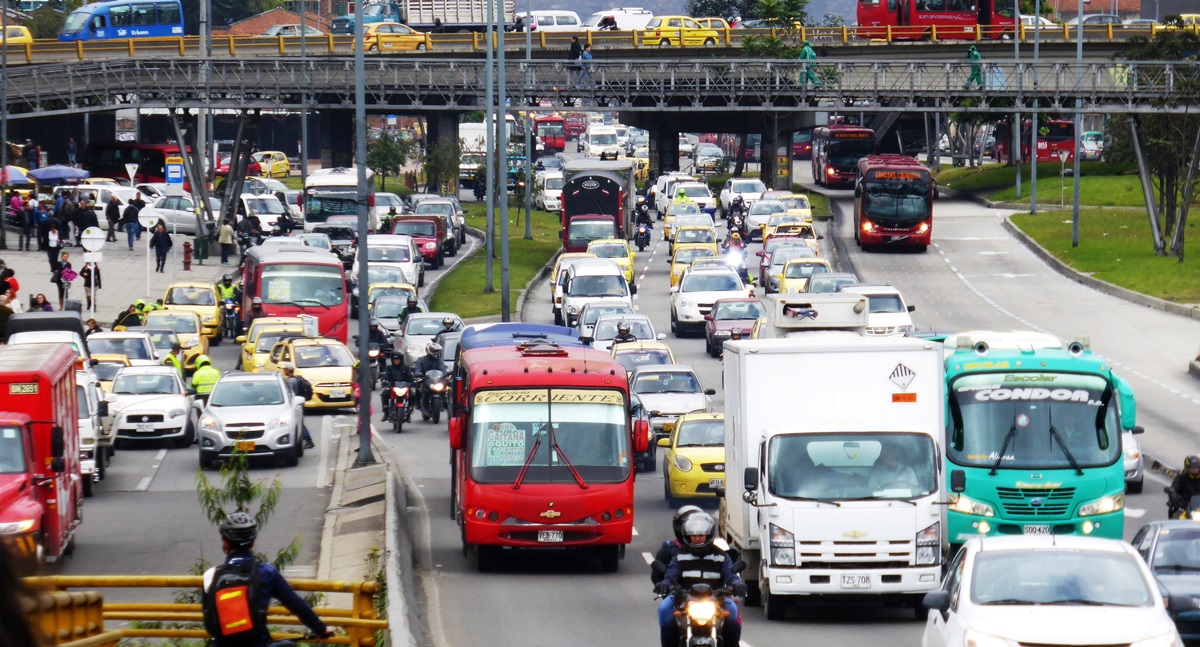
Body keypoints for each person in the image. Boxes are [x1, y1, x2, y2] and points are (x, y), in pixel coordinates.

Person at [202, 512, 333, 647]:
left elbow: (209, 620)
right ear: (252, 543)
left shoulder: (211, 575)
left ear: (225, 543)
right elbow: (296, 604)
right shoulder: (265, 572)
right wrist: (320, 629)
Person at [654, 512, 744, 647]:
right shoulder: (680, 556)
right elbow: (671, 575)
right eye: (694, 536)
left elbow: (730, 575)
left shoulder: (721, 556)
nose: (697, 539)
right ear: (688, 536)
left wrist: (737, 584)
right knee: (665, 615)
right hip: (684, 600)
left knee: (732, 620)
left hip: (716, 599)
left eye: (700, 536)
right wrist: (666, 585)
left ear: (708, 536)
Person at [650, 505, 703, 585]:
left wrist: (728, 586)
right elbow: (658, 576)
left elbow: (727, 572)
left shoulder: (714, 551)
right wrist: (663, 585)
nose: (695, 535)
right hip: (679, 594)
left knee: (727, 598)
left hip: (710, 594)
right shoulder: (672, 551)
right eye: (689, 528)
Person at [280, 362, 316, 449]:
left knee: (298, 423)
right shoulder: (297, 378)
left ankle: (307, 440)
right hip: (300, 402)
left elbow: (290, 394)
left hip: (295, 404)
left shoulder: (290, 381)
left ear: (288, 370)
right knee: (300, 422)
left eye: (284, 369)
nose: (283, 370)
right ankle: (306, 440)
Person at [380, 352, 414, 421]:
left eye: (397, 359)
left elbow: (411, 378)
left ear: (401, 359)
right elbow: (385, 376)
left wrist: (412, 383)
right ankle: (386, 413)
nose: (396, 360)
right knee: (384, 395)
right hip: (392, 387)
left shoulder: (406, 368)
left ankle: (409, 414)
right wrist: (384, 380)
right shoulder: (389, 368)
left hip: (404, 387)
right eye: (394, 359)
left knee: (413, 395)